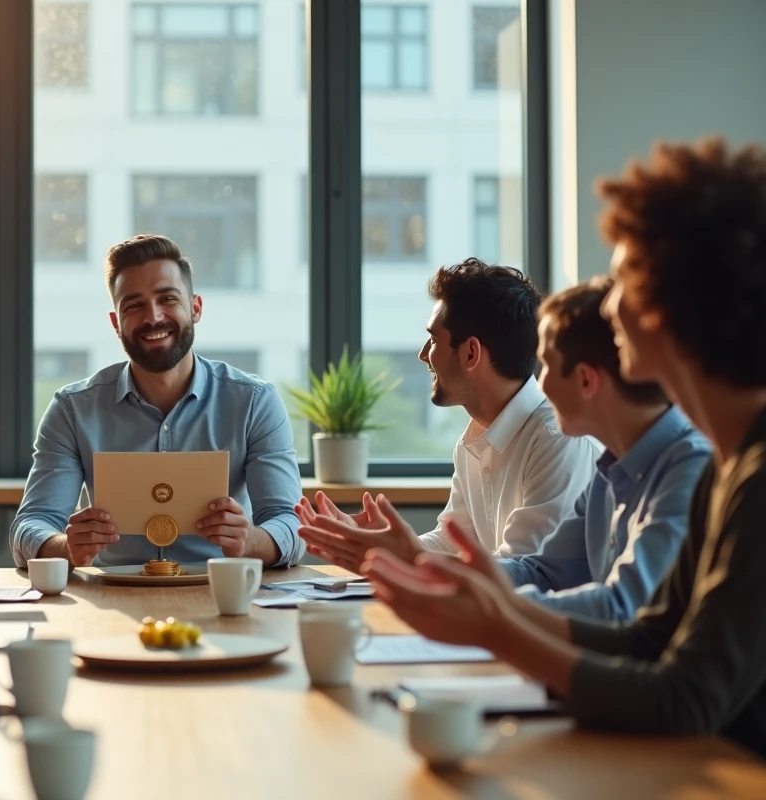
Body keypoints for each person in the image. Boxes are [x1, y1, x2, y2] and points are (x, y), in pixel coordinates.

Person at [362, 138, 766, 756]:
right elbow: (648, 639)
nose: (606, 304)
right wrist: (476, 596)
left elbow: (686, 695)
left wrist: (499, 627)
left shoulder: (748, 476)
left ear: (669, 302)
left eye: (624, 279)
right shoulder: (727, 466)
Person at [299, 277, 710, 621]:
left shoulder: (686, 468)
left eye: (546, 367)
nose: (539, 384)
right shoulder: (609, 472)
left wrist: (431, 576)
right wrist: (404, 555)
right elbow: (541, 571)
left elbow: (620, 608)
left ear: (587, 380)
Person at [11, 234, 304, 569]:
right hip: (115, 600)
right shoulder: (72, 409)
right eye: (134, 305)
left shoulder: (254, 402)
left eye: (167, 299)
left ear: (195, 308)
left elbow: (291, 524)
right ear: (115, 323)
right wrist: (66, 548)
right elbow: (29, 525)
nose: (153, 317)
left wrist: (249, 540)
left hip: (220, 594)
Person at [298, 258, 599, 560]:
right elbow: (451, 541)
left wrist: (404, 554)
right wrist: (378, 544)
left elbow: (523, 570)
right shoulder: (471, 442)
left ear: (471, 353)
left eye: (432, 340)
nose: (422, 355)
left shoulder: (557, 440)